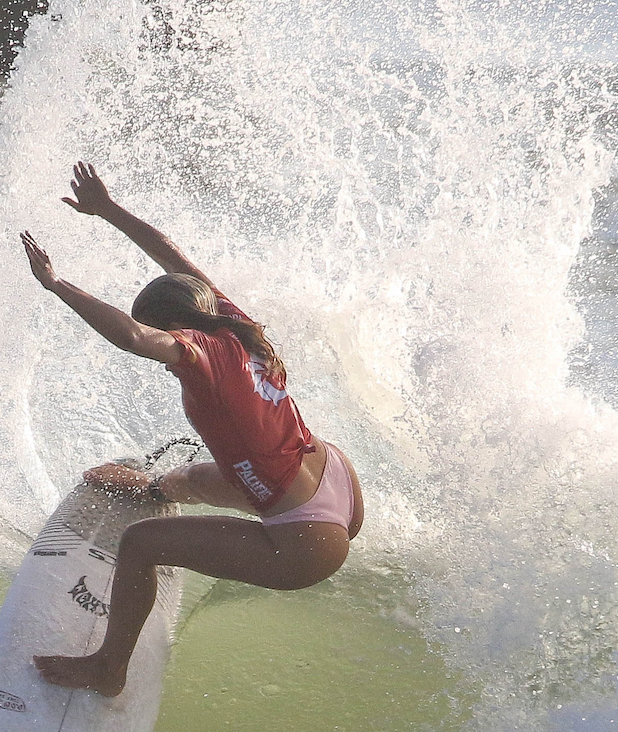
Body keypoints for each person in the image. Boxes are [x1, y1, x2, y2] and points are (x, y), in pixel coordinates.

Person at [20, 163, 364, 697]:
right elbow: (171, 258)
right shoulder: (232, 322)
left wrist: (55, 283)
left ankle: (108, 668)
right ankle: (159, 487)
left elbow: (132, 336)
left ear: (175, 328)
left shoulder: (198, 350)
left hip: (303, 539)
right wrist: (109, 211)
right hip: (334, 480)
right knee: (195, 479)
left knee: (139, 544)